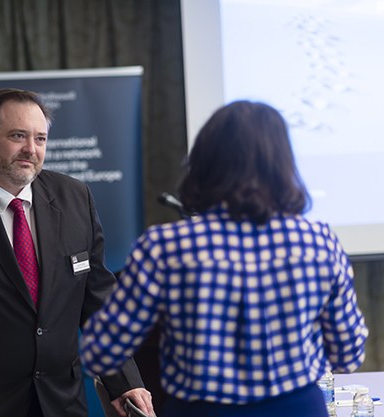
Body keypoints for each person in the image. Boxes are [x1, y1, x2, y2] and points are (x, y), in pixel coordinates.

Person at [80, 100, 369, 417]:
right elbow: (348, 355)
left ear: (203, 163)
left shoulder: (164, 247)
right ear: (283, 165)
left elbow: (101, 352)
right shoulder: (319, 242)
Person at [0, 88, 154, 417]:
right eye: (18, 136)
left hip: (63, 401)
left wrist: (124, 382)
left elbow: (97, 300)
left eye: (40, 139)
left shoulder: (75, 198)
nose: (30, 149)